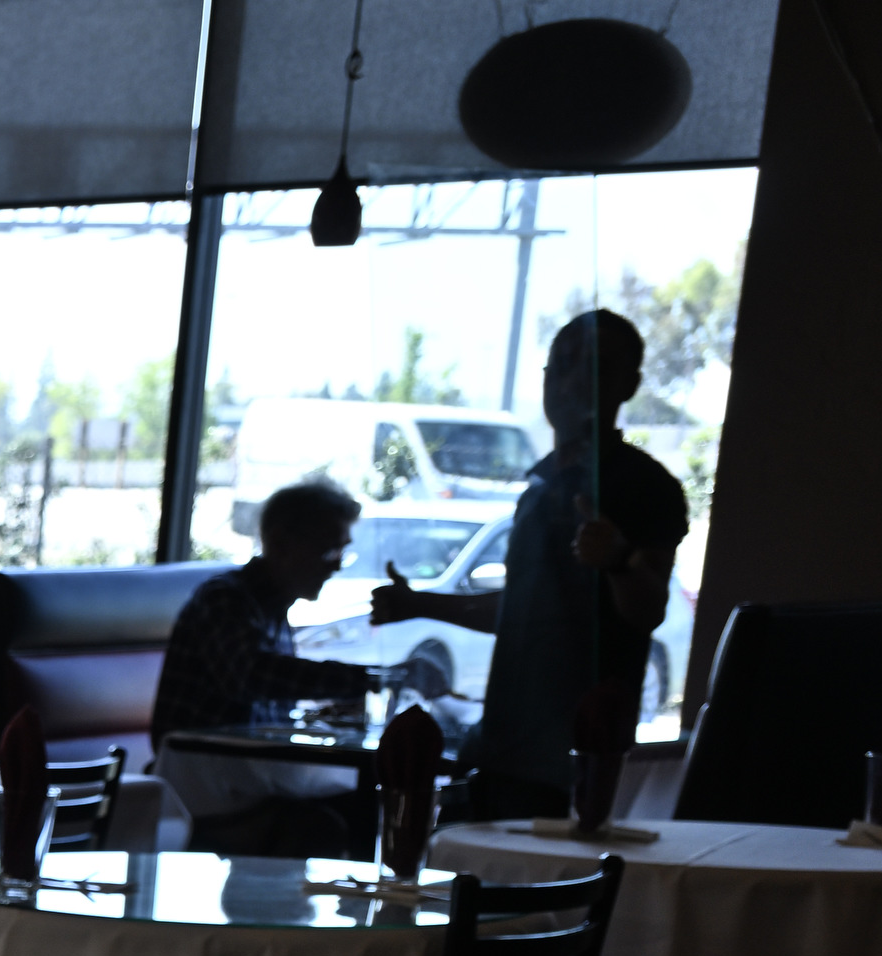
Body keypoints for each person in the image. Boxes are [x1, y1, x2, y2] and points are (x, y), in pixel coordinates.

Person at [372, 308, 686, 819]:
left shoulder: (645, 486)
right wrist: (420, 604)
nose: (572, 380)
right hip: (501, 748)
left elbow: (648, 610)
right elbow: (523, 610)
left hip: (571, 766)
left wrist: (619, 560)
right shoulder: (540, 486)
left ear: (629, 385)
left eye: (596, 366)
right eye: (562, 364)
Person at [151, 479, 381, 856]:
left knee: (367, 803)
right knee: (338, 820)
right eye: (329, 549)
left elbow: (264, 703)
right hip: (206, 786)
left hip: (248, 775)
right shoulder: (226, 599)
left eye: (343, 551)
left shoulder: (271, 610)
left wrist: (325, 714)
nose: (338, 564)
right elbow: (249, 677)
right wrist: (369, 680)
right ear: (281, 543)